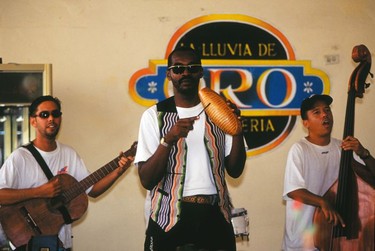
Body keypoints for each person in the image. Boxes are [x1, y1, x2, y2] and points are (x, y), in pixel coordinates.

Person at [135, 46, 246, 251]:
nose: (185, 73)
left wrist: (238, 130)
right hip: (169, 217)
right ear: (169, 74)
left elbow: (235, 170)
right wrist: (168, 140)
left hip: (214, 214)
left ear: (200, 72)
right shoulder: (154, 116)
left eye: (192, 68)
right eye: (178, 68)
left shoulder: (219, 112)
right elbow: (146, 179)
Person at [0, 95, 134, 250]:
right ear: (33, 121)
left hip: (61, 244)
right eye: (44, 115)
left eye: (55, 114)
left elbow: (93, 190)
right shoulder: (21, 157)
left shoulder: (69, 154)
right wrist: (39, 192)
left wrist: (118, 171)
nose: (51, 118)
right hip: (29, 244)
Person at [282, 94, 375, 250]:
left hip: (335, 238)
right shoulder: (299, 149)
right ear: (306, 123)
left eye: (327, 110)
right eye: (316, 112)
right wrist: (323, 202)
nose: (324, 114)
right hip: (302, 241)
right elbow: (293, 191)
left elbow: (371, 177)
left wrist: (363, 153)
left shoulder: (343, 148)